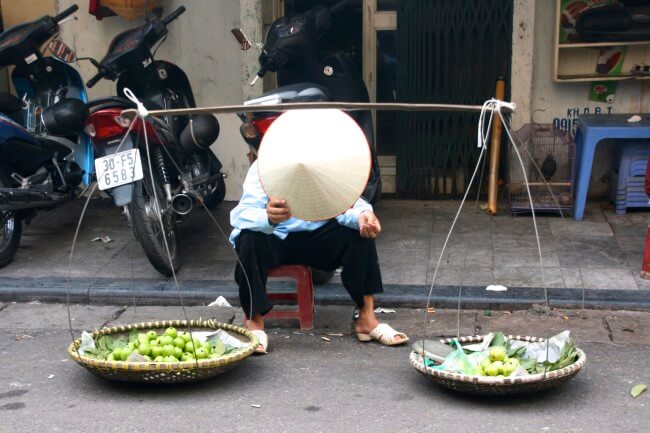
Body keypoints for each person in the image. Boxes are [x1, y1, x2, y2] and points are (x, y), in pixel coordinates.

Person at [230, 161, 409, 353]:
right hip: (276, 238)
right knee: (247, 237)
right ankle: (254, 321)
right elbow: (241, 215)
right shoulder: (265, 165)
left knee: (360, 234)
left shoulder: (328, 160)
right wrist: (267, 217)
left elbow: (349, 203)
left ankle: (367, 318)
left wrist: (364, 215)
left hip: (318, 239)